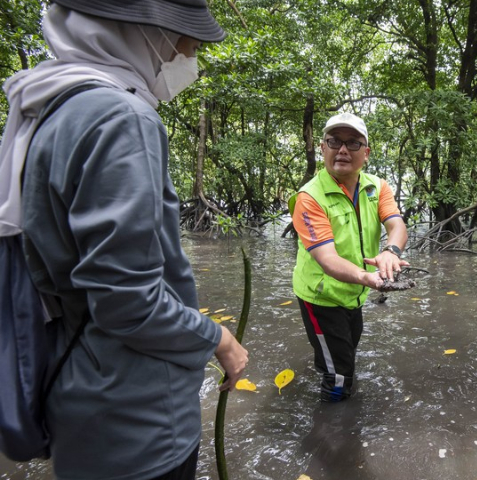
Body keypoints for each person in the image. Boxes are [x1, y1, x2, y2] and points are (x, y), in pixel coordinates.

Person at [0, 1, 249, 478]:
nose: (191, 55)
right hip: (139, 420)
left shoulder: (50, 107)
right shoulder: (120, 116)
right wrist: (217, 338)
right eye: (188, 41)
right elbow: (127, 301)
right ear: (147, 33)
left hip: (78, 401)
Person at [290, 112, 409, 402]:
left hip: (353, 294)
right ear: (323, 148)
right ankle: (332, 429)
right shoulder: (309, 198)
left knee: (346, 351)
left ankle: (331, 383)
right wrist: (367, 278)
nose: (343, 149)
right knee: (340, 374)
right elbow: (327, 258)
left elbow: (396, 225)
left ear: (365, 153)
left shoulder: (376, 187)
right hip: (321, 298)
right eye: (335, 141)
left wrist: (390, 252)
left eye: (353, 143)